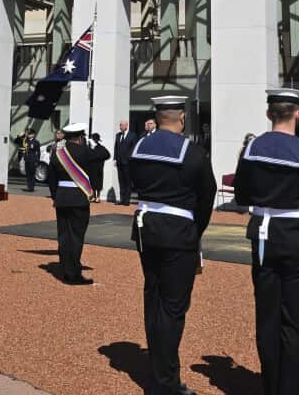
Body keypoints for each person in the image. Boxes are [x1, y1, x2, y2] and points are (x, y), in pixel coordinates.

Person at [233, 88, 299, 395]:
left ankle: (272, 384)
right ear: (298, 114)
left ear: (269, 114)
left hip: (264, 236)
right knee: (294, 322)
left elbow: (241, 195)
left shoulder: (251, 150)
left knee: (267, 318)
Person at [128, 95, 215, 395]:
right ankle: (165, 382)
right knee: (173, 307)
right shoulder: (192, 153)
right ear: (181, 118)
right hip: (179, 233)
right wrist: (195, 229)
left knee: (153, 299)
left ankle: (160, 369)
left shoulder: (138, 147)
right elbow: (208, 194)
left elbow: (132, 178)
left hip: (146, 228)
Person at [47, 122, 107, 284]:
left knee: (64, 235)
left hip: (62, 197)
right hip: (78, 198)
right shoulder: (85, 152)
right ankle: (73, 274)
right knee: (76, 236)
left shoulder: (57, 153)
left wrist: (55, 196)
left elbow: (50, 178)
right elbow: (105, 154)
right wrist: (95, 143)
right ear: (81, 137)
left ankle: (66, 267)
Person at [113, 119, 139, 206]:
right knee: (121, 181)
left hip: (128, 163)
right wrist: (115, 159)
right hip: (119, 162)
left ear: (126, 126)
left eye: (122, 125)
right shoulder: (118, 135)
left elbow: (134, 148)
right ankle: (122, 199)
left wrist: (129, 159)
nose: (120, 127)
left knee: (127, 181)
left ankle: (127, 200)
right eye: (120, 125)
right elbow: (116, 148)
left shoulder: (133, 135)